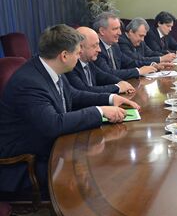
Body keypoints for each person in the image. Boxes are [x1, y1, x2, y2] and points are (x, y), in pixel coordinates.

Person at [0, 25, 139, 193]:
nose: (79, 56)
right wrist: (100, 112)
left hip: (50, 146)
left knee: (102, 160)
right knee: (99, 178)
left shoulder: (49, 68)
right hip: (27, 164)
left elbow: (73, 95)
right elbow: (53, 124)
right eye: (77, 53)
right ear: (64, 55)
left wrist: (110, 98)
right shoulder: (29, 82)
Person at [66, 27, 135, 94]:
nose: (99, 50)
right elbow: (85, 90)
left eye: (98, 45)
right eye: (94, 46)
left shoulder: (89, 62)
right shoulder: (71, 66)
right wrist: (117, 87)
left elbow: (103, 76)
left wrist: (122, 83)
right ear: (80, 47)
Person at [93, 12, 157, 80]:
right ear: (102, 31)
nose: (120, 33)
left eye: (119, 28)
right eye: (115, 29)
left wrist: (152, 65)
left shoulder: (114, 45)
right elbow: (108, 73)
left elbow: (129, 62)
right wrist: (138, 71)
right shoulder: (96, 48)